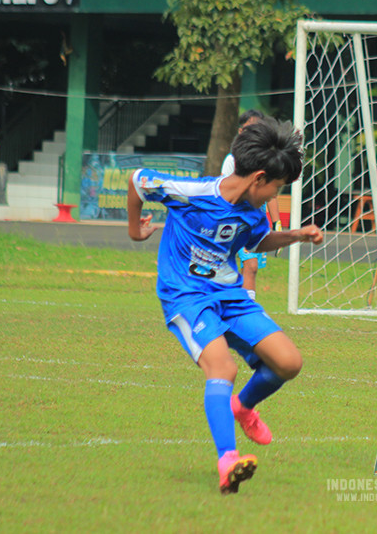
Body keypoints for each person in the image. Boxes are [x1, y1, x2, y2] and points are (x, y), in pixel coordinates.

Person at [127, 117, 324, 494]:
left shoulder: (252, 210)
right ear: (258, 178)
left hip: (230, 294)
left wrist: (295, 235)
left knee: (288, 362)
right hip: (186, 296)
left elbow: (257, 240)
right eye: (276, 188)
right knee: (223, 367)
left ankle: (243, 408)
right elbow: (137, 180)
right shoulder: (191, 192)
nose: (274, 196)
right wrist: (135, 230)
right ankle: (227, 459)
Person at [222, 110, 283, 301]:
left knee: (250, 269)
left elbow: (270, 193)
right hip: (238, 220)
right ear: (241, 131)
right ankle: (244, 313)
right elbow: (226, 193)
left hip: (256, 222)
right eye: (251, 129)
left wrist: (277, 223)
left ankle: (240, 309)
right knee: (250, 265)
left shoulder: (265, 160)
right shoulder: (232, 160)